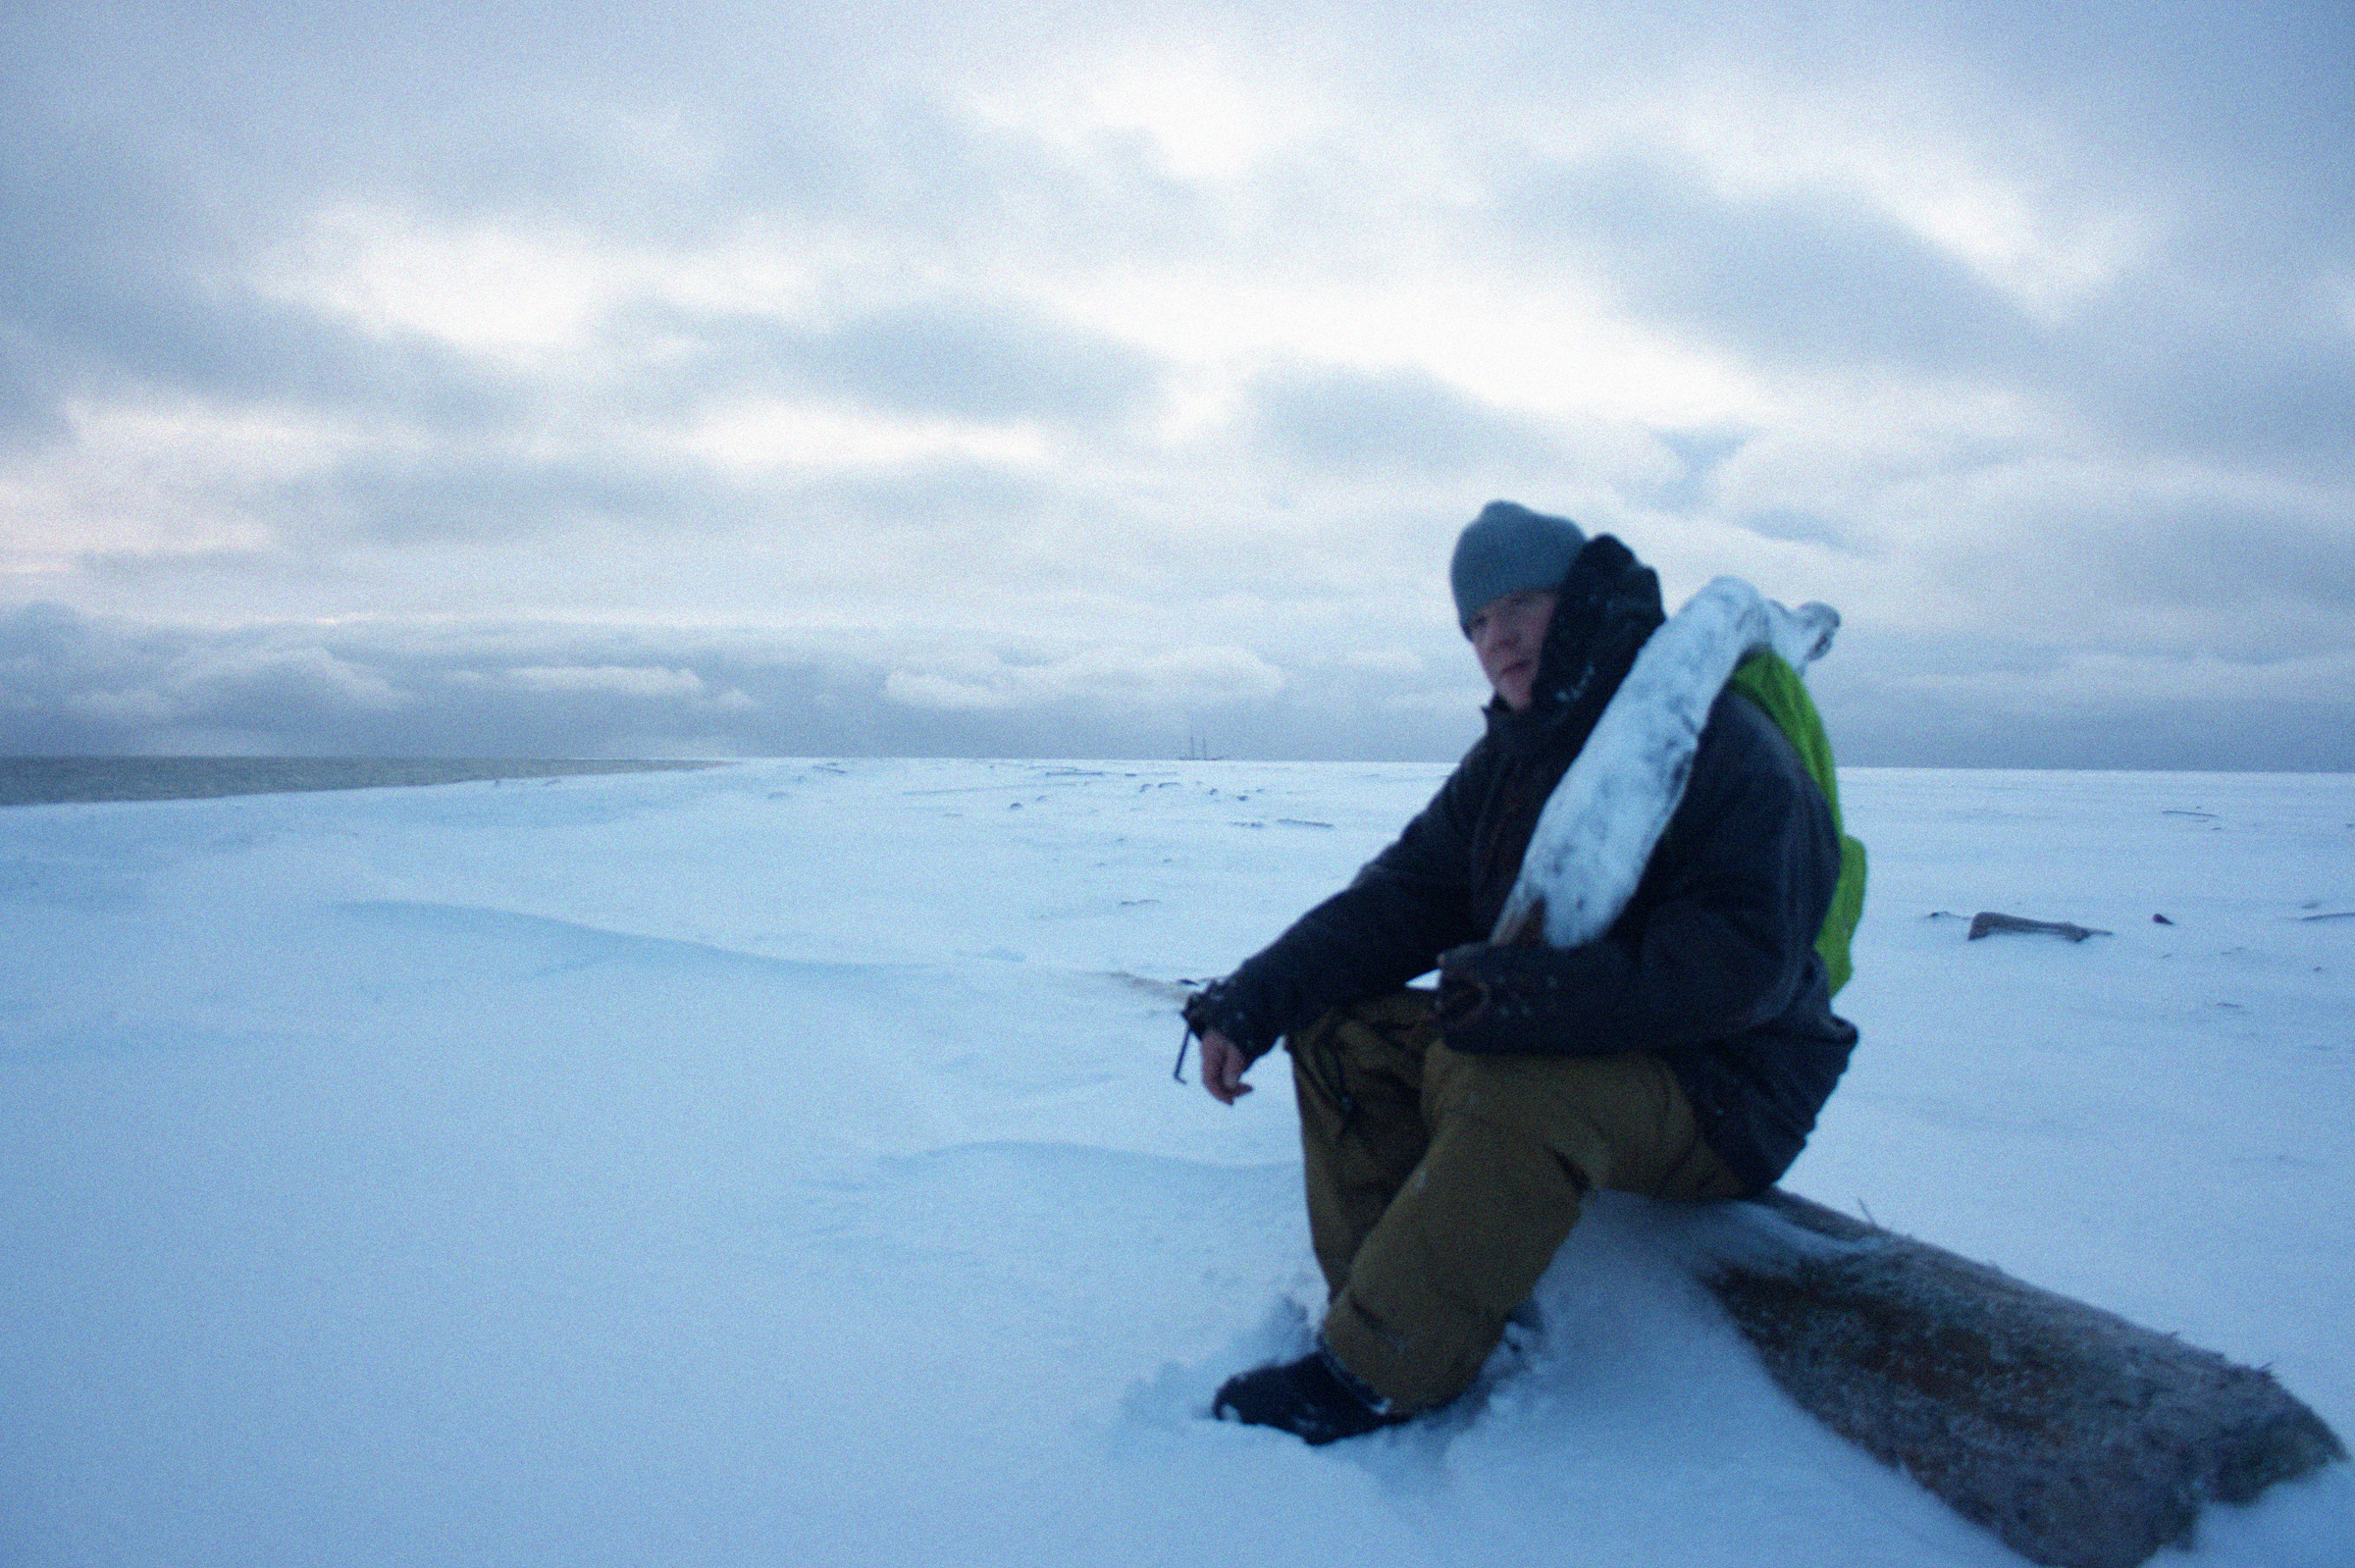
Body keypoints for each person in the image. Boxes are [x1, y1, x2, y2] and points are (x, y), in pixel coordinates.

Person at [1182, 500, 1858, 1444]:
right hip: (1598, 1046)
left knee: (1508, 1078)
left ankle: (1382, 1373)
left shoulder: (1719, 743)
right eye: (1477, 625)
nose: (1497, 640)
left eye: (1520, 607)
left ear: (1577, 599)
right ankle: (1386, 1298)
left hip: (1732, 1089)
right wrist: (1250, 1002)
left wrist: (1525, 1000)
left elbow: (1741, 968)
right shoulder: (1514, 759)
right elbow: (1399, 899)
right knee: (1343, 1039)